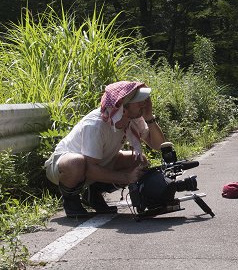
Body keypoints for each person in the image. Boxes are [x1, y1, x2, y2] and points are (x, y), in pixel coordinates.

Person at [44, 81, 166, 217]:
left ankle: (93, 193)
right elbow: (90, 168)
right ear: (123, 108)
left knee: (139, 161)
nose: (144, 103)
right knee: (77, 162)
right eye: (139, 101)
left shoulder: (132, 118)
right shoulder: (95, 125)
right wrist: (126, 177)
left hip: (97, 162)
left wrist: (149, 118)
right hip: (64, 166)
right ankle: (71, 200)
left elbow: (158, 146)